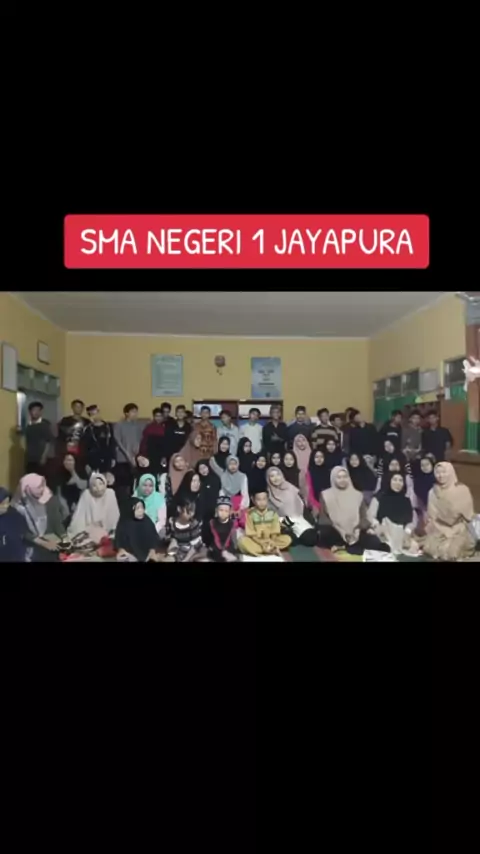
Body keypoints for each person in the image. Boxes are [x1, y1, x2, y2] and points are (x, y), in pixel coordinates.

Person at [317, 467, 389, 554]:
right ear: (333, 479)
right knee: (325, 534)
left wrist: (358, 528)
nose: (342, 480)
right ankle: (346, 545)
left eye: (345, 477)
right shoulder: (325, 495)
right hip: (336, 531)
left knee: (374, 542)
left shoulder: (358, 495)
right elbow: (323, 518)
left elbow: (363, 517)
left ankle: (345, 546)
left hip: (356, 531)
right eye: (339, 477)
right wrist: (339, 530)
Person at [423, 462, 475, 561]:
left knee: (451, 552)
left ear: (451, 472)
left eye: (444, 472)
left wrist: (454, 530)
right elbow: (433, 517)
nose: (440, 475)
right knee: (430, 548)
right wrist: (443, 530)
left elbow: (468, 517)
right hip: (439, 529)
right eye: (437, 473)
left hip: (459, 529)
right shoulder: (432, 492)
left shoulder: (462, 490)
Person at [11, 474, 65, 561]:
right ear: (28, 489)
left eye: (42, 486)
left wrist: (64, 537)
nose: (42, 490)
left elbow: (56, 520)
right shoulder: (17, 507)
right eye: (38, 487)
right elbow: (22, 532)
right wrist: (43, 543)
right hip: (30, 548)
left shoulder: (47, 496)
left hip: (50, 542)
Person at [367, 473, 416, 553]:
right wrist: (378, 526)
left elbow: (411, 521)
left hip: (401, 535)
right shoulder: (379, 498)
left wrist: (407, 532)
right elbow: (370, 516)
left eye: (400, 480)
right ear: (389, 481)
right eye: (394, 480)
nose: (397, 483)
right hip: (383, 533)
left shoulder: (406, 501)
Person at [266, 467, 316, 545]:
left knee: (311, 539)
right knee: (290, 540)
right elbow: (270, 513)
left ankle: (298, 534)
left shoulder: (290, 488)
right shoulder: (269, 494)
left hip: (298, 519)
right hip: (282, 523)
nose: (276, 478)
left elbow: (301, 505)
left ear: (282, 476)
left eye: (278, 475)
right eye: (272, 476)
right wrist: (282, 521)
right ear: (268, 479)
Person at [238, 491, 292, 557]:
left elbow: (275, 531)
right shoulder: (250, 514)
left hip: (270, 540)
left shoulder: (272, 513)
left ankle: (265, 549)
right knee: (242, 542)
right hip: (257, 541)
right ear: (253, 500)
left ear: (267, 499)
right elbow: (251, 533)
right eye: (259, 499)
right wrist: (261, 543)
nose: (262, 502)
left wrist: (271, 542)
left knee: (287, 539)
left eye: (264, 499)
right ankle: (270, 550)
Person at [68, 473, 120, 539]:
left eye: (100, 484)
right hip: (89, 532)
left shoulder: (110, 493)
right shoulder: (86, 494)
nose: (98, 488)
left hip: (108, 532)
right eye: (94, 485)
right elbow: (79, 519)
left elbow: (114, 517)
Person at [115, 497, 163, 562]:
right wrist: (122, 551)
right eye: (137, 508)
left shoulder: (147, 521)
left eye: (142, 507)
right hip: (130, 555)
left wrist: (152, 551)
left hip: (148, 555)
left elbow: (153, 539)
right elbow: (120, 543)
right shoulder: (124, 522)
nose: (141, 510)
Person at [113, 403, 144, 501]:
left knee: (133, 482)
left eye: (136, 412)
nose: (135, 414)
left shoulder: (138, 426)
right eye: (133, 412)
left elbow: (140, 440)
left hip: (135, 458)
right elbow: (118, 441)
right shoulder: (119, 425)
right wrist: (128, 455)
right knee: (122, 484)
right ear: (126, 413)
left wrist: (136, 455)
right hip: (122, 459)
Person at [82, 405, 116, 475]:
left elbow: (112, 443)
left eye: (96, 413)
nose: (95, 416)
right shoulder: (88, 429)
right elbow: (85, 447)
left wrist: (113, 457)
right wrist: (86, 462)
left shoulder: (108, 427)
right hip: (93, 458)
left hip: (107, 457)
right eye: (92, 414)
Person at [25, 401, 54, 479]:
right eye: (33, 410)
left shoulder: (45, 425)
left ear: (41, 412)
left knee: (41, 479)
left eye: (38, 410)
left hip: (41, 458)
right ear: (30, 412)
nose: (35, 412)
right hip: (30, 458)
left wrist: (44, 456)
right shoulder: (28, 426)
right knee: (30, 479)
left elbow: (48, 442)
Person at [56, 453, 88, 522]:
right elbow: (58, 492)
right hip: (65, 503)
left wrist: (72, 471)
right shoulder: (59, 473)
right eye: (66, 460)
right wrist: (64, 507)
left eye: (70, 460)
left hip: (79, 502)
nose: (68, 462)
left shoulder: (81, 471)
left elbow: (82, 486)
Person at [0, 486, 29, 562]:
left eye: (7, 502)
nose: (5, 506)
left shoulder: (15, 515)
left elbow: (24, 535)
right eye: (2, 503)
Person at [138, 408, 167, 477]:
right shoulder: (149, 428)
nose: (158, 418)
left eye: (160, 416)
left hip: (161, 455)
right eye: (156, 416)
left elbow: (167, 443)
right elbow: (144, 442)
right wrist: (142, 454)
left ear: (163, 417)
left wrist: (165, 456)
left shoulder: (166, 428)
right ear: (153, 416)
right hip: (150, 455)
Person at [209, 497, 238, 562]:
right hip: (216, 548)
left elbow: (234, 539)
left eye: (226, 511)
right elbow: (211, 538)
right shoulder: (212, 522)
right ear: (216, 510)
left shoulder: (232, 524)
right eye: (221, 510)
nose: (223, 513)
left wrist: (230, 550)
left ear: (230, 512)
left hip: (228, 548)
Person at [412, 455, 436, 531]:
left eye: (427, 464)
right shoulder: (418, 480)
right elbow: (418, 498)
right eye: (422, 465)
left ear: (432, 465)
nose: (425, 467)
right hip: (423, 509)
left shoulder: (438, 478)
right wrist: (424, 510)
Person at [305, 450, 331, 516]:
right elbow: (309, 491)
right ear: (313, 459)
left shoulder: (328, 472)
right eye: (316, 457)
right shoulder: (309, 473)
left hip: (329, 503)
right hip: (315, 505)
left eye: (321, 457)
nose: (319, 459)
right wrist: (317, 505)